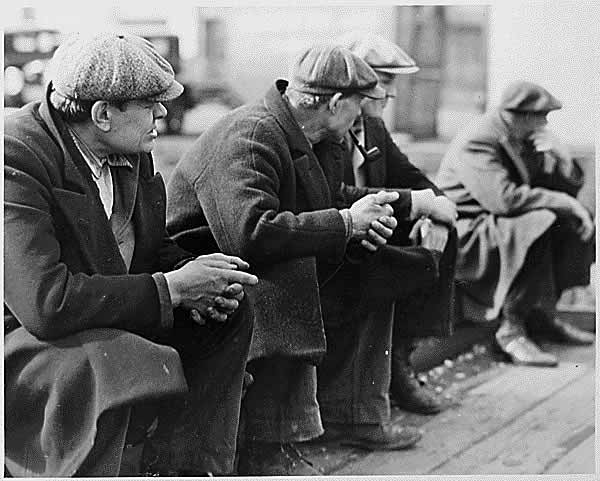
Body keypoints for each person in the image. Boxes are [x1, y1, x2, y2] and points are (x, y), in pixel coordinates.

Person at [166, 44, 456, 475]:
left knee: (377, 267)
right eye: (358, 108)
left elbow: (325, 199)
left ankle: (352, 415)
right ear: (336, 103)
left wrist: (362, 224)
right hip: (205, 267)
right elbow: (250, 233)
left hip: (251, 259)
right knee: (290, 278)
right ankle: (267, 445)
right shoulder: (251, 136)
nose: (362, 120)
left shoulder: (308, 133)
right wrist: (343, 224)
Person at [4, 32, 258, 477]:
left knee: (229, 312)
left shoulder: (126, 146)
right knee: (119, 360)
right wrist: (171, 289)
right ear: (102, 113)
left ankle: (189, 468)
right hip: (21, 333)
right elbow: (44, 304)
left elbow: (149, 248)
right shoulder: (15, 156)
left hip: (97, 311)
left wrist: (197, 277)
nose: (163, 112)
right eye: (150, 103)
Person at [333, 31, 458, 415]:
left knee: (441, 234)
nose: (391, 94)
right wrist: (414, 203)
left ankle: (401, 356)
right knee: (398, 259)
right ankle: (371, 387)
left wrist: (435, 204)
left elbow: (409, 174)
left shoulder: (373, 127)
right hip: (335, 234)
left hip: (371, 225)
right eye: (384, 82)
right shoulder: (330, 123)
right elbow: (330, 194)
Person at [436, 81, 595, 367]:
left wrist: (561, 159)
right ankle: (511, 330)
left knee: (570, 220)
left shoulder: (520, 137)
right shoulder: (480, 139)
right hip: (467, 228)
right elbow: (503, 200)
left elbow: (549, 190)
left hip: (498, 222)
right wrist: (563, 202)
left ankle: (539, 313)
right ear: (520, 115)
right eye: (542, 116)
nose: (545, 124)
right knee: (542, 221)